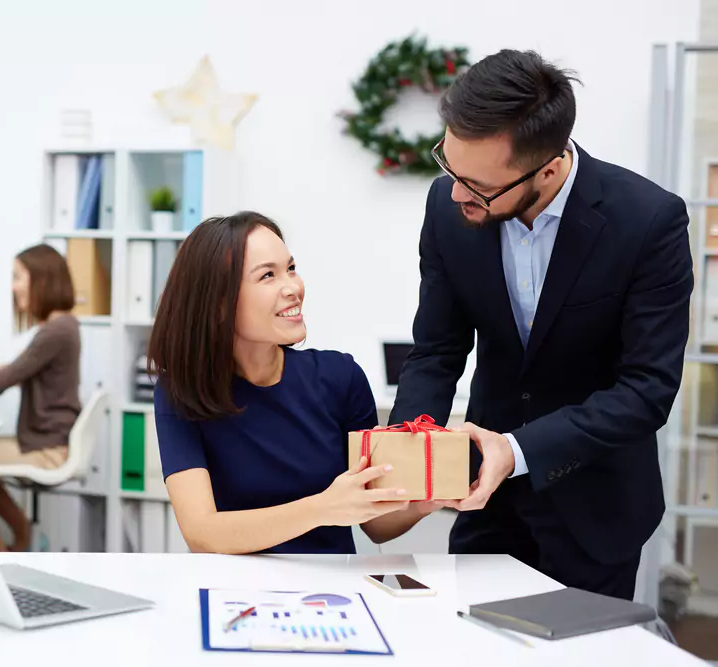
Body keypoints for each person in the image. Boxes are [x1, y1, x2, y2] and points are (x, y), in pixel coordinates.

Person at [389, 49, 693, 599]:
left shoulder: (649, 221)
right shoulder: (447, 208)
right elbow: (436, 350)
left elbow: (646, 390)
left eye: (478, 185)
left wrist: (518, 450)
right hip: (485, 506)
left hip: (596, 508)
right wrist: (412, 450)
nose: (458, 193)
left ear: (548, 168)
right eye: (449, 167)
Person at [149, 211, 439, 555]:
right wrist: (323, 508)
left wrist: (424, 502)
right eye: (268, 275)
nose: (293, 287)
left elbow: (374, 523)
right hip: (234, 590)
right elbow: (203, 533)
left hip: (331, 590)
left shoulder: (339, 376)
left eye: (290, 268)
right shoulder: (180, 393)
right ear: (218, 303)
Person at [0, 244, 81, 552]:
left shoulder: (55, 332)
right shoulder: (63, 326)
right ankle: (22, 535)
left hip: (46, 449)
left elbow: (2, 381)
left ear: (42, 279)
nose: (12, 287)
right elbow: (15, 368)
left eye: (17, 277)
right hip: (47, 439)